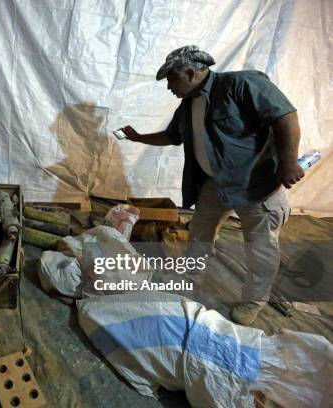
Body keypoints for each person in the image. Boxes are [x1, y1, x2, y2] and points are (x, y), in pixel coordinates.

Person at [119, 45, 304, 325]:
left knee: (260, 248)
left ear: (191, 73)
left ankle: (253, 301)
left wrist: (288, 163)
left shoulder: (240, 84)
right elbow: (172, 137)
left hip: (256, 185)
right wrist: (138, 138)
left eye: (171, 79)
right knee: (200, 234)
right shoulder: (187, 106)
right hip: (214, 185)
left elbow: (285, 116)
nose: (169, 86)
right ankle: (192, 278)